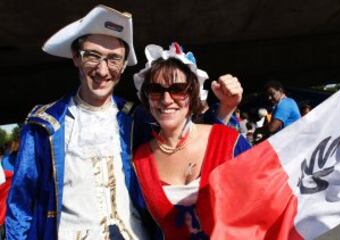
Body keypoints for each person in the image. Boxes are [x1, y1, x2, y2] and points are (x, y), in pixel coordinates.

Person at [6, 5, 245, 240]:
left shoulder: (136, 119)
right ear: (76, 58)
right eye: (92, 56)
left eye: (113, 59)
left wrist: (225, 109)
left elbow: (193, 137)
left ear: (122, 66)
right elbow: (21, 204)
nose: (102, 70)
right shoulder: (45, 125)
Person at [132, 43, 251, 239]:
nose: (166, 99)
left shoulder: (230, 143)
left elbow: (267, 199)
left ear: (194, 93)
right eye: (155, 90)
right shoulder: (139, 163)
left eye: (178, 89)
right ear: (146, 96)